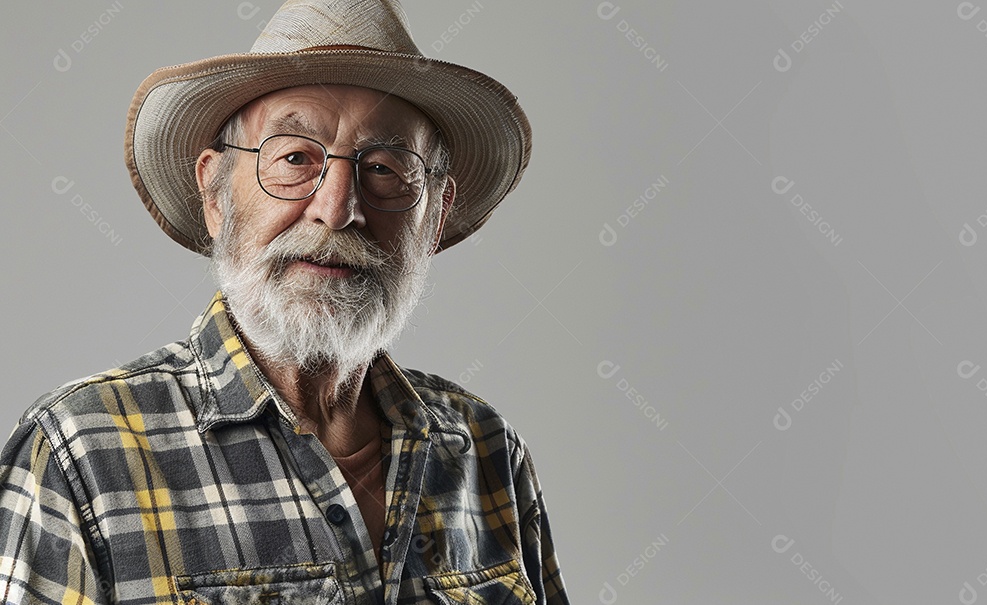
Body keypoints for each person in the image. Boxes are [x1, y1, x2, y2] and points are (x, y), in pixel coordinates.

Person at [0, 1, 569, 603]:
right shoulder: (79, 456)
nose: (337, 208)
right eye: (295, 159)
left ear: (435, 216)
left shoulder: (486, 451)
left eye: (383, 168)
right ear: (216, 195)